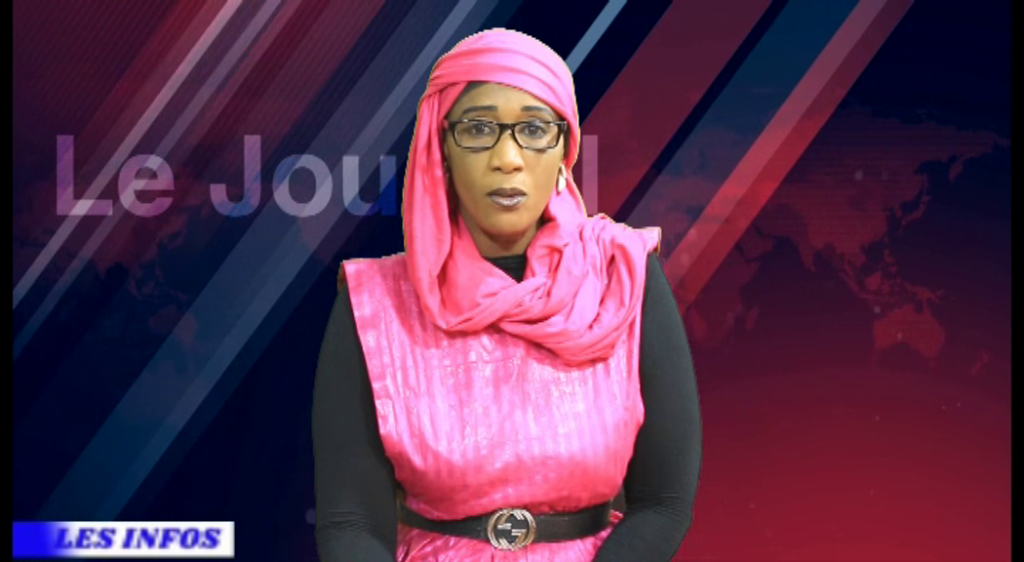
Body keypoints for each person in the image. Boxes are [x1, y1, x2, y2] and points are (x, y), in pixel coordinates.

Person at [312, 28, 702, 561]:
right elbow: (350, 522)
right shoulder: (373, 304)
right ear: (440, 147)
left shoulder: (625, 274)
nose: (508, 157)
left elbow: (664, 503)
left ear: (565, 147)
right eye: (478, 129)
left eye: (534, 129)